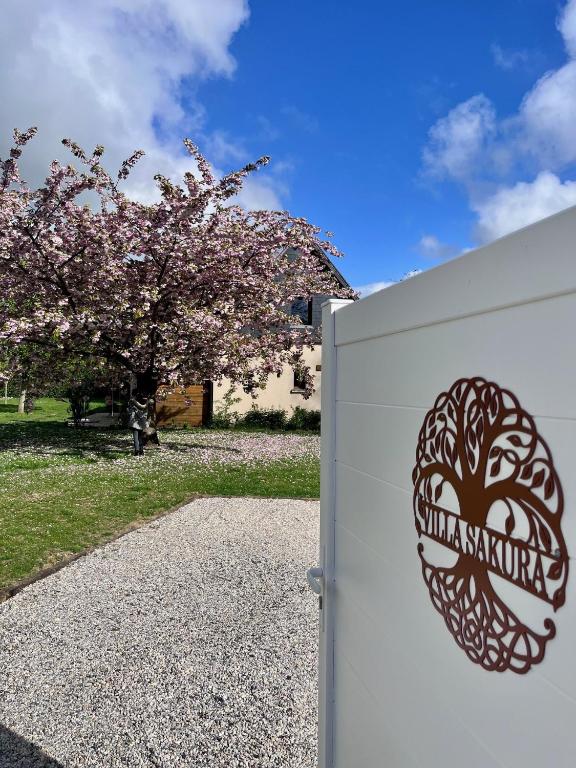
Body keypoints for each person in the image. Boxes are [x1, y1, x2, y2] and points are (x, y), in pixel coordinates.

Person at [127, 391, 149, 455]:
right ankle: (141, 451)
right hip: (142, 423)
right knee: (140, 438)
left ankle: (137, 451)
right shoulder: (146, 405)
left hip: (135, 423)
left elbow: (129, 411)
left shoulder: (132, 403)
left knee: (135, 438)